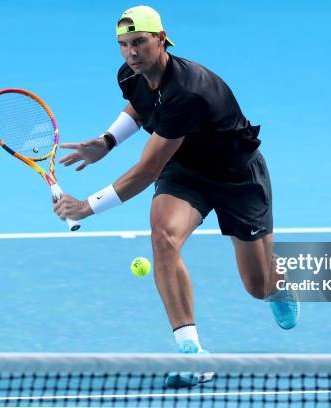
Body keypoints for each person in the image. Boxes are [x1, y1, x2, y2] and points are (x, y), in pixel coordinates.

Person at [53, 5, 299, 384]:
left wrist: (87, 207)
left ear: (161, 39)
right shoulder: (131, 73)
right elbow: (139, 106)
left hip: (237, 176)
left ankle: (277, 285)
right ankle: (193, 354)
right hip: (186, 171)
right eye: (123, 44)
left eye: (139, 42)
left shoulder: (189, 91)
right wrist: (107, 141)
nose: (131, 53)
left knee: (258, 285)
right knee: (163, 236)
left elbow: (148, 169)